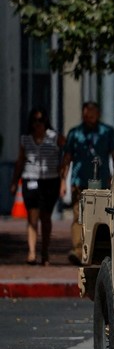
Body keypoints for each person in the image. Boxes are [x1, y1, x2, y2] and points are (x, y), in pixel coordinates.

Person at [62, 101, 114, 264]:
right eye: (86, 115)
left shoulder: (107, 132)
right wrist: (63, 182)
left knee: (101, 217)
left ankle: (98, 250)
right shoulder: (75, 133)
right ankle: (79, 251)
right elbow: (67, 158)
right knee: (78, 216)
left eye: (92, 115)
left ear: (98, 115)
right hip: (80, 182)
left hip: (102, 183)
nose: (89, 118)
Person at [9, 108, 65, 265]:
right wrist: (14, 182)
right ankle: (32, 252)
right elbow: (20, 161)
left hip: (50, 181)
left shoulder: (54, 137)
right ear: (31, 123)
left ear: (46, 121)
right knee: (32, 217)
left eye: (41, 120)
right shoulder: (25, 139)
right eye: (35, 121)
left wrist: (63, 174)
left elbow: (68, 152)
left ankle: (45, 252)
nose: (38, 124)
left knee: (46, 218)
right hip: (30, 180)